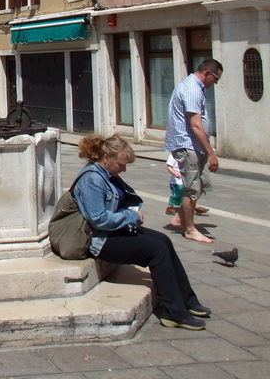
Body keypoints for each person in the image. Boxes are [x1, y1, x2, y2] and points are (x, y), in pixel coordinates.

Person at [73, 133, 210, 330]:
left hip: (113, 232)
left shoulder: (107, 175)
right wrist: (132, 217)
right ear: (106, 159)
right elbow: (98, 219)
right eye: (121, 165)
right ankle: (175, 313)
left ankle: (188, 300)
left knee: (164, 240)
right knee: (156, 250)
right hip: (100, 240)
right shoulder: (92, 180)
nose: (124, 169)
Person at [164, 58, 222, 243]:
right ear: (207, 73)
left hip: (193, 146)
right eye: (216, 78)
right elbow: (195, 125)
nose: (216, 83)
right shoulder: (191, 89)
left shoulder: (193, 87)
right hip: (188, 144)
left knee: (201, 183)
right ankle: (189, 229)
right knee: (191, 188)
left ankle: (180, 218)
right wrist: (211, 153)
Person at [165, 154, 209, 219]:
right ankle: (170, 208)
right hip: (176, 182)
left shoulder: (186, 155)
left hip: (186, 180)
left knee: (189, 194)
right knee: (177, 196)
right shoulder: (173, 156)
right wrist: (174, 173)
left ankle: (194, 207)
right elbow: (169, 166)